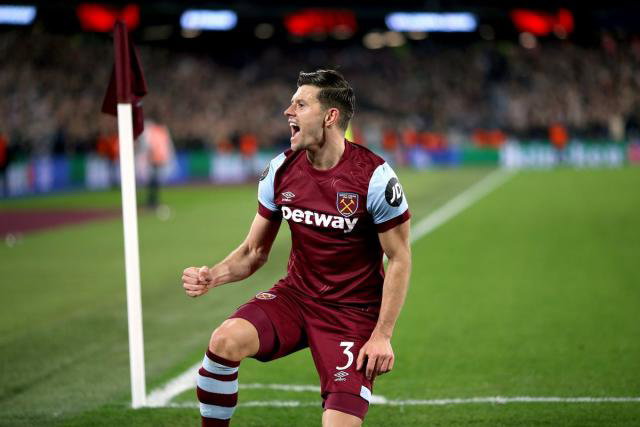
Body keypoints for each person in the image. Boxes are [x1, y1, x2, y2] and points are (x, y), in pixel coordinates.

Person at [182, 69, 412, 427]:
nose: (288, 111)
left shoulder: (375, 178)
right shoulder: (280, 170)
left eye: (301, 105)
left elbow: (399, 258)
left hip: (351, 313)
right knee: (225, 340)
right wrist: (213, 275)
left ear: (329, 117)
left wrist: (382, 335)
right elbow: (254, 252)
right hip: (297, 297)